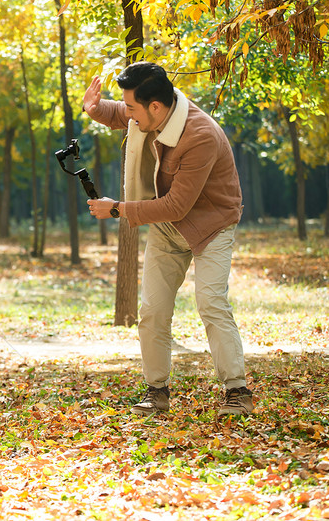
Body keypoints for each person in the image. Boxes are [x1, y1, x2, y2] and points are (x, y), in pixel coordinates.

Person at [81, 61, 253, 417]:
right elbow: (119, 114)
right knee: (153, 310)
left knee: (210, 302)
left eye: (132, 107)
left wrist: (118, 209)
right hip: (167, 228)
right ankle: (156, 391)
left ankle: (238, 392)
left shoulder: (200, 134)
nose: (127, 113)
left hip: (211, 226)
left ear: (155, 107)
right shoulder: (155, 112)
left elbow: (176, 205)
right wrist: (96, 109)